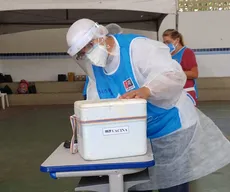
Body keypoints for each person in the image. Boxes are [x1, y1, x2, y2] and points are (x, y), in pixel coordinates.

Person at [66, 18, 230, 192]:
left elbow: (173, 75)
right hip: (138, 137)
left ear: (100, 35)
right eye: (82, 52)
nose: (87, 53)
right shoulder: (95, 67)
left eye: (88, 46)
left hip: (171, 127)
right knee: (138, 184)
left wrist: (148, 90)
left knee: (173, 184)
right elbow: (96, 103)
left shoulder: (136, 48)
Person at [162, 29, 199, 106]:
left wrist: (175, 73)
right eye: (164, 42)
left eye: (168, 42)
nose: (166, 44)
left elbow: (194, 74)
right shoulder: (167, 55)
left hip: (186, 92)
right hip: (173, 92)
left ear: (177, 40)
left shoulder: (187, 53)